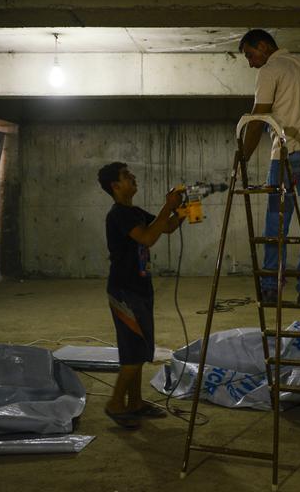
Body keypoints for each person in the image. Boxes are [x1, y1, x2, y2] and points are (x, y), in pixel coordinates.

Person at [238, 29, 300, 307]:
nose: (250, 62)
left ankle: (270, 287)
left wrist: (242, 156)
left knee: (276, 221)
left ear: (264, 46)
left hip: (289, 154)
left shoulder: (270, 69)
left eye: (250, 55)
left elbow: (258, 117)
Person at [97, 162, 185, 429]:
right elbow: (147, 238)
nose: (133, 178)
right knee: (134, 351)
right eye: (126, 176)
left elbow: (165, 228)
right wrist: (168, 206)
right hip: (125, 290)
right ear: (115, 186)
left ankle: (134, 402)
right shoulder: (118, 215)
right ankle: (115, 403)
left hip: (140, 287)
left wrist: (183, 208)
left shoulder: (133, 211)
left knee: (140, 348)